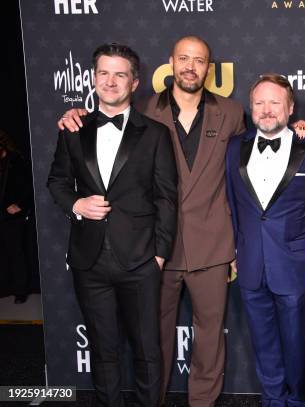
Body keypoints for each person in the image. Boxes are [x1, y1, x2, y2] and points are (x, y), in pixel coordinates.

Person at [58, 35, 246, 407]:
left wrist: (302, 126)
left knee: (209, 337)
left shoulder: (233, 112)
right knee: (151, 338)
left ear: (209, 68)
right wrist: (73, 113)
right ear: (171, 62)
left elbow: (249, 168)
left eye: (199, 60)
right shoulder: (141, 110)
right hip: (153, 247)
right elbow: (101, 118)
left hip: (212, 242)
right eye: (183, 58)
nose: (190, 66)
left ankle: (202, 403)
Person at [48, 43, 178, 407]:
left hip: (140, 260)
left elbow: (166, 198)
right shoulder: (72, 128)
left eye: (120, 74)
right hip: (89, 261)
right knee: (103, 352)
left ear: (134, 82)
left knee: (147, 351)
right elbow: (56, 181)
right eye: (104, 73)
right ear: (92, 78)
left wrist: (160, 256)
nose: (110, 81)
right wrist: (76, 204)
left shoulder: (154, 133)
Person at [225, 74, 305, 407]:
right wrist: (233, 249)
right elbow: (231, 204)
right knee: (263, 345)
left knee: (295, 344)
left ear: (291, 108)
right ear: (250, 108)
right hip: (250, 264)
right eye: (259, 103)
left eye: (275, 102)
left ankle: (296, 401)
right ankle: (273, 401)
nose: (266, 110)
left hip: (293, 263)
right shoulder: (234, 146)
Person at [0, 130, 34, 304]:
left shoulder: (15, 161)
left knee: (16, 253)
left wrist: (20, 205)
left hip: (12, 217)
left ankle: (20, 291)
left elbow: (29, 186)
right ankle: (5, 287)